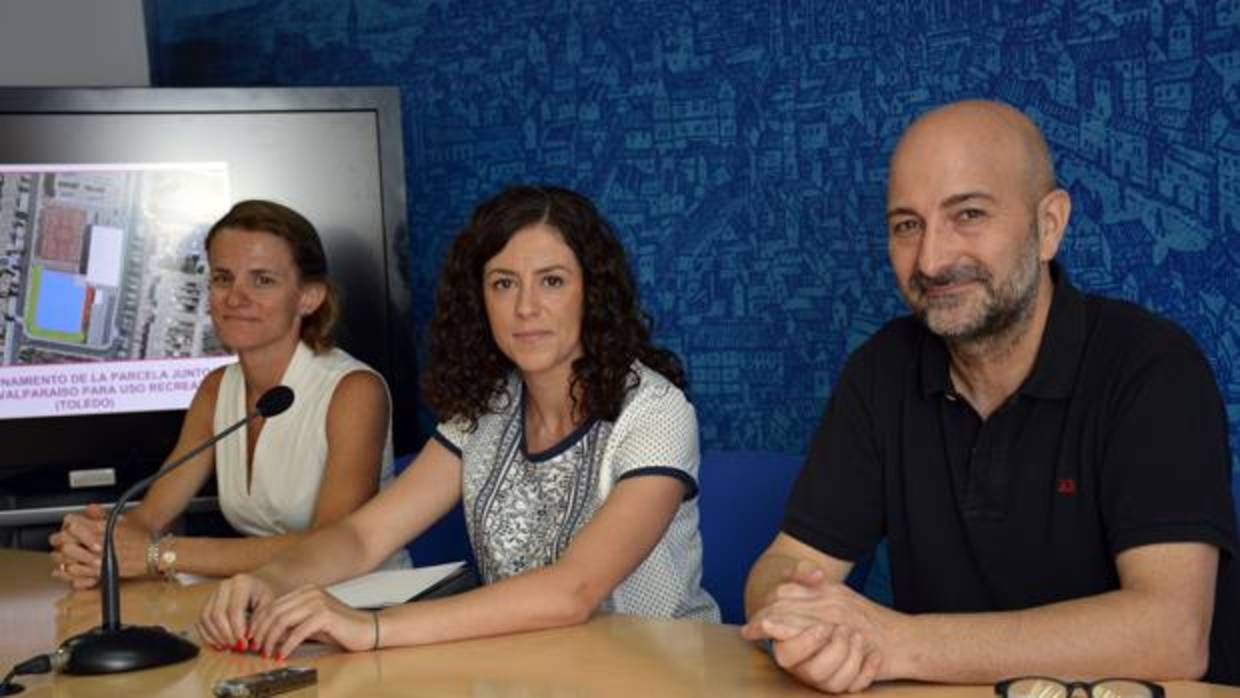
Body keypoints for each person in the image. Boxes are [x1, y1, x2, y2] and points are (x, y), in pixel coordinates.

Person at [743, 99, 1239, 692]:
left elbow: (1172, 634)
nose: (931, 259)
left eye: (968, 214)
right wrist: (802, 620)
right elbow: (782, 564)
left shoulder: (1151, 367)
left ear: (1049, 225)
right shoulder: (880, 372)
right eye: (907, 225)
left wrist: (894, 641)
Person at [197, 184, 719, 657]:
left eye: (552, 281)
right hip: (522, 669)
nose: (526, 308)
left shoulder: (655, 412)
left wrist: (372, 628)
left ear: (592, 294)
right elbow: (363, 537)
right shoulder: (487, 406)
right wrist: (269, 580)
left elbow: (574, 590)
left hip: (657, 671)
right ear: (480, 300)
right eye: (503, 284)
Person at [50, 199, 408, 589]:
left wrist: (161, 555)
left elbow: (329, 544)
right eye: (223, 278)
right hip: (267, 601)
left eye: (262, 280)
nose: (235, 298)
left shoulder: (355, 391)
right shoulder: (216, 388)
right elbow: (151, 515)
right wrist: (98, 542)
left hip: (367, 605)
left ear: (309, 297)